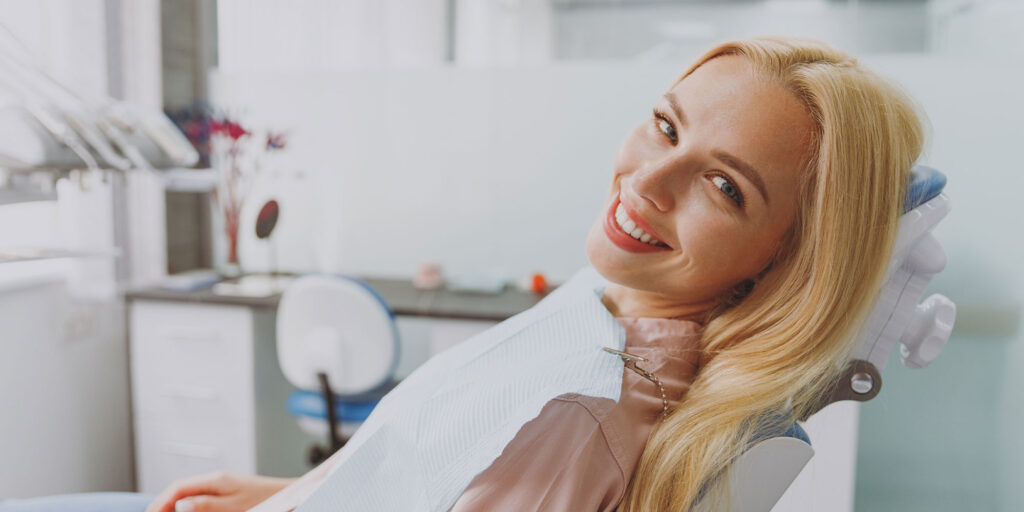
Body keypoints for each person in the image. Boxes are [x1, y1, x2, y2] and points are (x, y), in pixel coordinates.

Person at [0, 36, 924, 512]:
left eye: (724, 187)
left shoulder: (585, 412)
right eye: (667, 125)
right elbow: (429, 469)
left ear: (787, 258)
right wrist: (305, 491)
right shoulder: (602, 307)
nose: (646, 179)